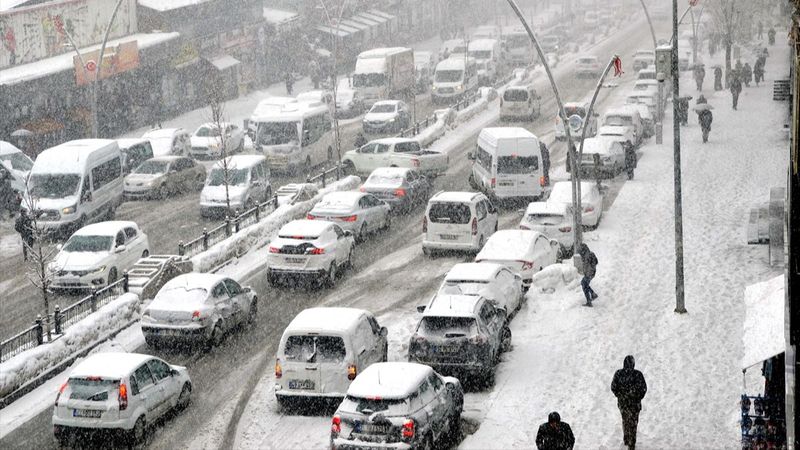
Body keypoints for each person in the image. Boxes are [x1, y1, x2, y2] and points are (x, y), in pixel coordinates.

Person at [611, 355, 648, 450]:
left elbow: (613, 387)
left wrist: (621, 395)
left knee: (625, 420)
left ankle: (626, 437)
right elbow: (643, 389)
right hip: (635, 404)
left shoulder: (619, 373)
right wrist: (637, 397)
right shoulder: (638, 374)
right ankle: (632, 443)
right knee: (633, 423)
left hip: (623, 404)